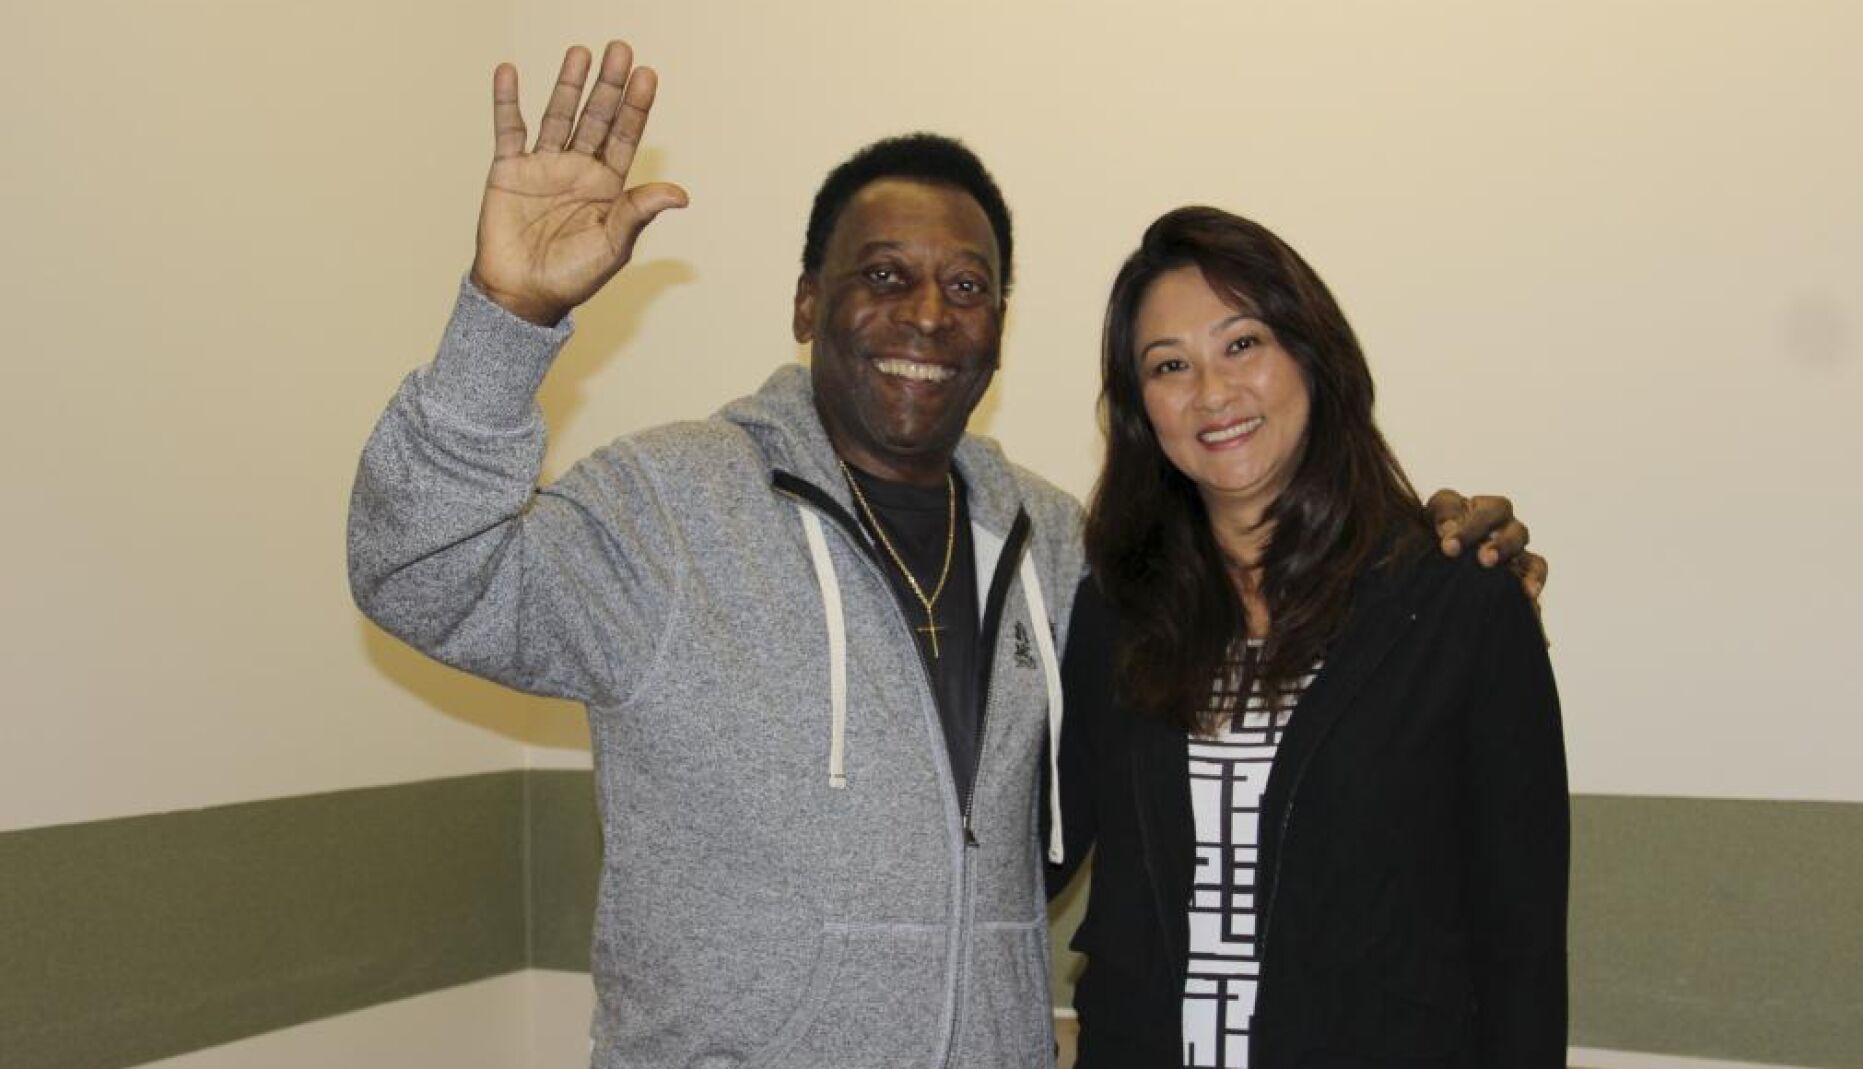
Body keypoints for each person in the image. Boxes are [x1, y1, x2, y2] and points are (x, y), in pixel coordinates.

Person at [348, 41, 1542, 1069]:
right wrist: (505, 319)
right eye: (883, 277)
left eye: (965, 285)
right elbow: (420, 573)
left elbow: (1256, 583)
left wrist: (1429, 557)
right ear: (806, 303)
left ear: (999, 327)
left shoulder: (1064, 550)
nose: (927, 314)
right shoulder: (668, 510)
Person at [1053, 207, 1568, 1068]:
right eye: (1170, 365)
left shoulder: (1458, 604)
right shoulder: (1115, 613)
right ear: (1142, 408)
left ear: (1313, 354)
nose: (1212, 392)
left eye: (1242, 344)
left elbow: (1523, 946)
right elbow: (1028, 849)